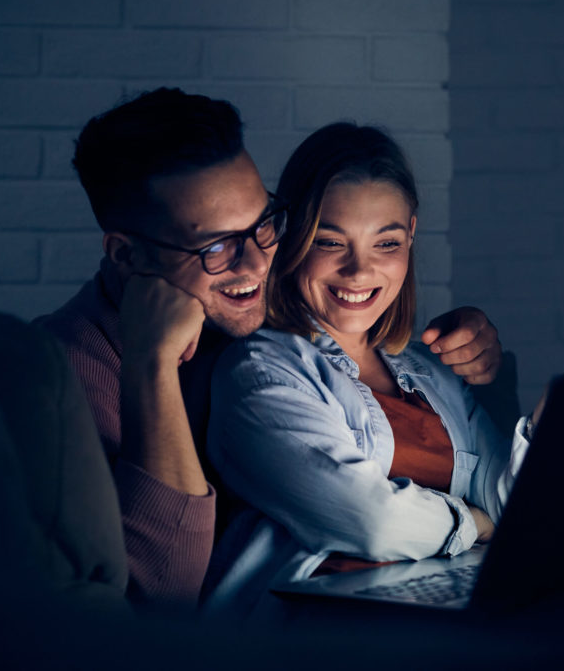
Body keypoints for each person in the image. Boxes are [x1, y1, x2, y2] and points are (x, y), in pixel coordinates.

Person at [36, 89, 508, 610]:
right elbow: (154, 611)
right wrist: (152, 368)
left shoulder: (239, 323)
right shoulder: (54, 382)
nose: (259, 263)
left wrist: (475, 344)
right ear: (127, 255)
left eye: (263, 224)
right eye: (216, 245)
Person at [204, 122, 533, 616]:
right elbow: (369, 522)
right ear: (292, 237)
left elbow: (507, 506)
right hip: (311, 624)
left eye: (386, 243)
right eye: (330, 242)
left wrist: (556, 420)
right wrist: (468, 522)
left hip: (431, 604)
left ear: (412, 235)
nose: (359, 272)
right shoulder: (260, 370)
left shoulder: (431, 372)